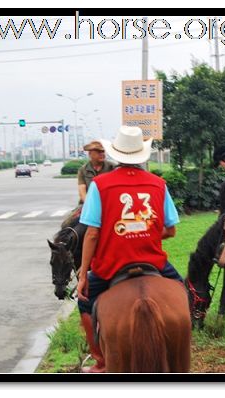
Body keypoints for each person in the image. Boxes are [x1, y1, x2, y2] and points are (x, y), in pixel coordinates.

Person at [76, 126, 183, 373]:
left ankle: (100, 361)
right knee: (182, 291)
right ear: (141, 155)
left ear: (116, 154)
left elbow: (92, 233)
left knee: (84, 302)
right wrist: (142, 230)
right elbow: (171, 230)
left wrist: (83, 275)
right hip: (153, 263)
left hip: (111, 265)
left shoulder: (100, 185)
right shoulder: (158, 184)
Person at [60, 141, 115, 228]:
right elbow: (82, 192)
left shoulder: (112, 168)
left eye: (103, 151)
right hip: (87, 204)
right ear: (90, 154)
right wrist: (92, 206)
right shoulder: (83, 170)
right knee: (67, 225)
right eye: (98, 152)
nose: (102, 154)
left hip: (109, 204)